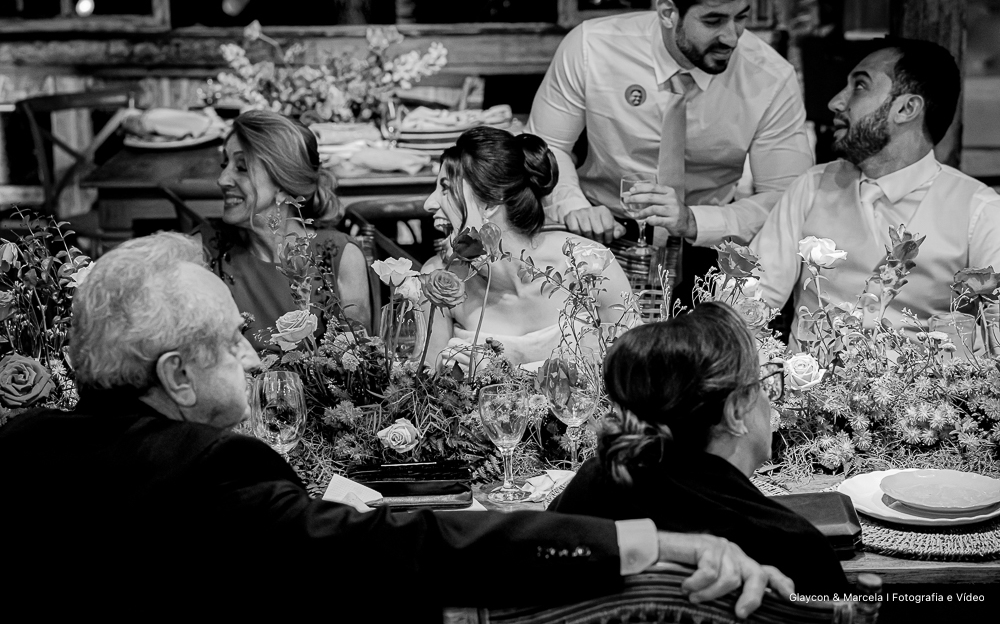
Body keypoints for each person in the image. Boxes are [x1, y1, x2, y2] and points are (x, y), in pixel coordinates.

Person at [0, 232, 794, 618]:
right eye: (233, 338)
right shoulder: (208, 472)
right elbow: (407, 550)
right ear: (176, 374)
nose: (249, 354)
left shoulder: (20, 447)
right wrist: (647, 541)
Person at [526, 0, 813, 303]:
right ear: (667, 12)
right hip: (601, 231)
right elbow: (547, 146)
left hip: (709, 243)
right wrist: (574, 207)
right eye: (713, 21)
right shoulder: (592, 48)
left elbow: (786, 199)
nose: (732, 37)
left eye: (741, 17)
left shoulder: (771, 77)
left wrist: (694, 221)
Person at [550, 303, 849, 596]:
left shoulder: (588, 493)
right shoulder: (795, 548)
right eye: (763, 383)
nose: (769, 399)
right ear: (735, 410)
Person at [751, 39, 1000, 341]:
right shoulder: (810, 187)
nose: (835, 102)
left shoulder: (980, 211)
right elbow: (751, 297)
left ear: (906, 108)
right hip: (808, 371)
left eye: (859, 86)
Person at [422, 126, 634, 367]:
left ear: (490, 203)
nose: (429, 203)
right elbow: (425, 383)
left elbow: (636, 371)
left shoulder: (590, 265)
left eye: (446, 189)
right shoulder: (438, 281)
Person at [202, 110, 375, 348]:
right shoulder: (206, 252)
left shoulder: (340, 257)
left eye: (241, 167)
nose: (222, 179)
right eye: (225, 165)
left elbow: (360, 358)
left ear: (283, 184)